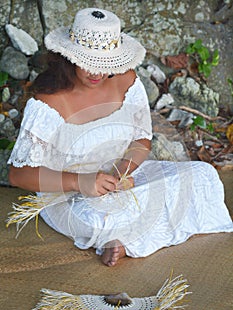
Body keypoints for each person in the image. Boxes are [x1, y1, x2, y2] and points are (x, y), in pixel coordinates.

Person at [8, 7, 233, 267]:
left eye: (105, 64)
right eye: (88, 62)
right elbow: (18, 174)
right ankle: (123, 240)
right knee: (103, 216)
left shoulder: (127, 82)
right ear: (69, 57)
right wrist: (80, 182)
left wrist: (123, 172)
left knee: (202, 176)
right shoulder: (48, 102)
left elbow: (141, 141)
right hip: (68, 194)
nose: (97, 73)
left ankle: (124, 238)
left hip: (118, 179)